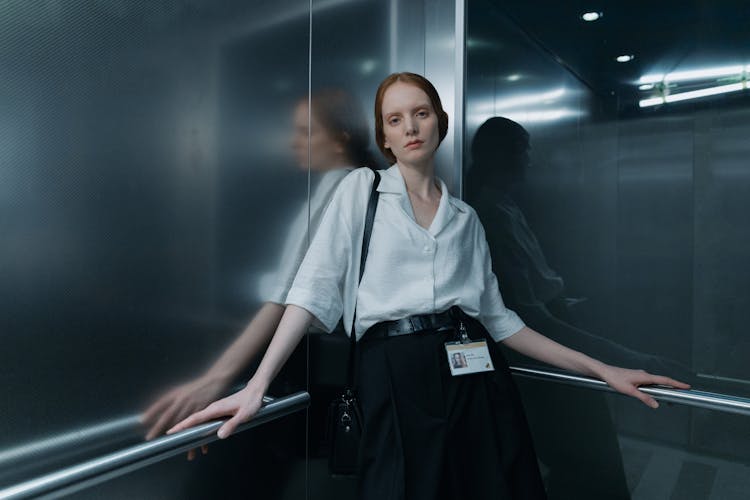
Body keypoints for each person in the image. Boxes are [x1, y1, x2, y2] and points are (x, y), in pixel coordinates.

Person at [168, 73, 690, 499]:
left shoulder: (466, 219)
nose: (410, 126)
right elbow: (311, 290)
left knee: (493, 486)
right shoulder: (362, 190)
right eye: (395, 119)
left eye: (420, 112)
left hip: (476, 372)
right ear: (385, 137)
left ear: (439, 120)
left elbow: (503, 322)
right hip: (392, 370)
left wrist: (605, 369)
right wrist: (256, 388)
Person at [142, 88, 378, 456]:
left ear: (340, 137)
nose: (294, 142)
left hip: (302, 360)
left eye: (306, 131)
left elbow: (286, 295)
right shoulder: (361, 185)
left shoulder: (343, 186)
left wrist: (216, 378)